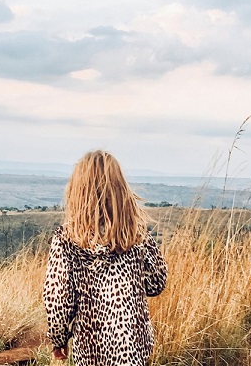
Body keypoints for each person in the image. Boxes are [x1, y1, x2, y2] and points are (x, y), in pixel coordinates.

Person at [43, 150, 167, 366]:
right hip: (135, 347)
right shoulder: (136, 234)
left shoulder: (66, 238)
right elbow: (156, 284)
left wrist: (59, 339)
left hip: (92, 350)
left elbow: (58, 300)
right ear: (120, 190)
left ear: (77, 191)